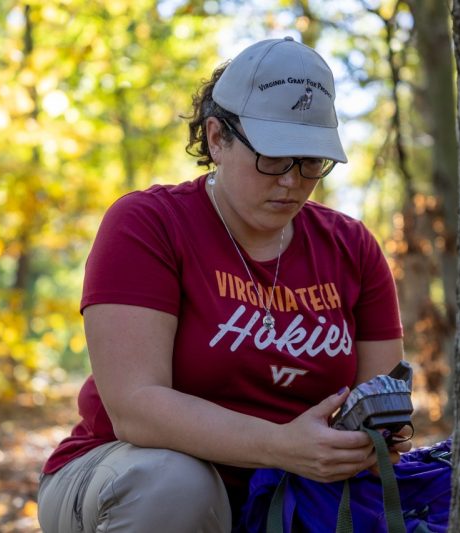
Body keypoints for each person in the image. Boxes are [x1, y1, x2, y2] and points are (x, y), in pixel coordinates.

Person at [37, 36, 405, 532]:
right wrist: (283, 447)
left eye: (311, 161)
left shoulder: (352, 247)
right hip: (125, 473)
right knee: (175, 486)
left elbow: (381, 403)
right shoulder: (150, 223)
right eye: (273, 156)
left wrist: (372, 438)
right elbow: (136, 409)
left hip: (292, 492)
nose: (292, 181)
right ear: (216, 137)